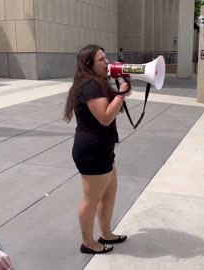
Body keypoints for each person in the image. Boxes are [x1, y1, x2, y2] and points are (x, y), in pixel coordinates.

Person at [63, 45, 131, 254]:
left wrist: (120, 91)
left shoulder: (97, 83)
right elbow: (105, 117)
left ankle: (106, 233)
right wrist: (121, 94)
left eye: (106, 57)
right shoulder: (90, 86)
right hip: (92, 151)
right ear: (89, 64)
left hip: (102, 148)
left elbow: (110, 112)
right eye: (101, 59)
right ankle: (88, 243)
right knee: (91, 200)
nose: (107, 62)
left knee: (109, 195)